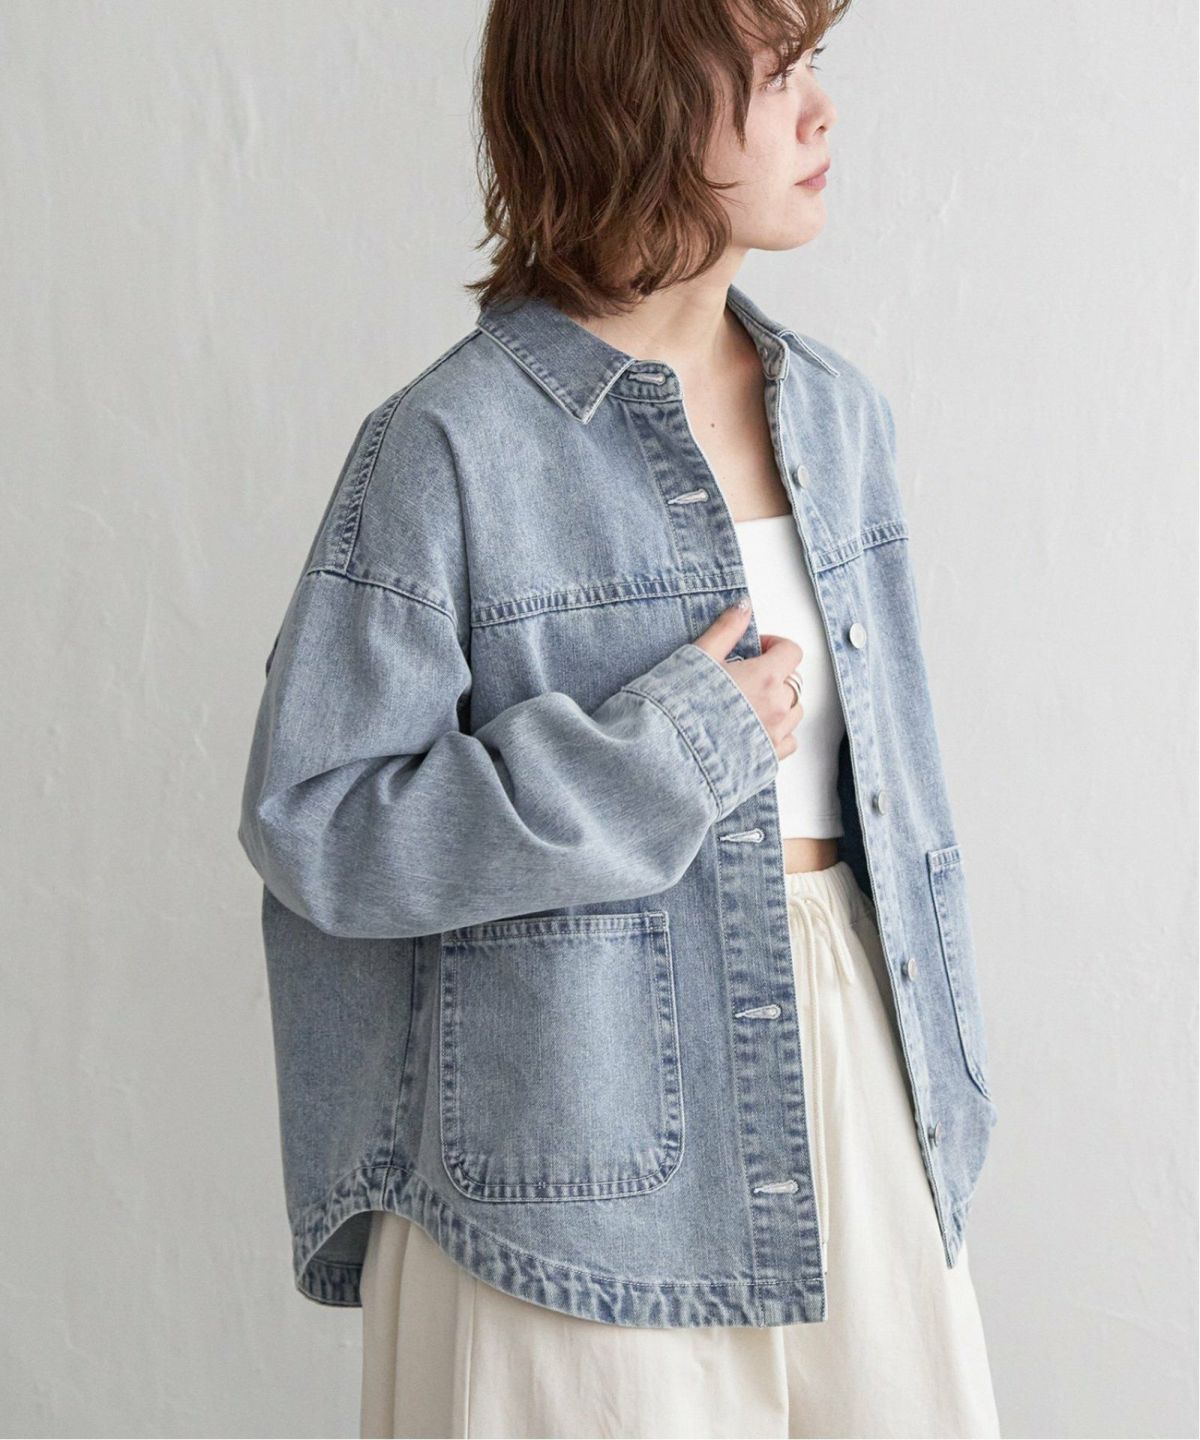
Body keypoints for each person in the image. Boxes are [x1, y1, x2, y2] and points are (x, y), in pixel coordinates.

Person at [237, 0, 1002, 1434]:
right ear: (633, 103)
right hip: (573, 1131)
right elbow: (318, 826)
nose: (821, 111)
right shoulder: (451, 445)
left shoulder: (839, 418)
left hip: (859, 1069)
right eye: (775, 74)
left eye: (815, 66)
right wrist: (672, 750)